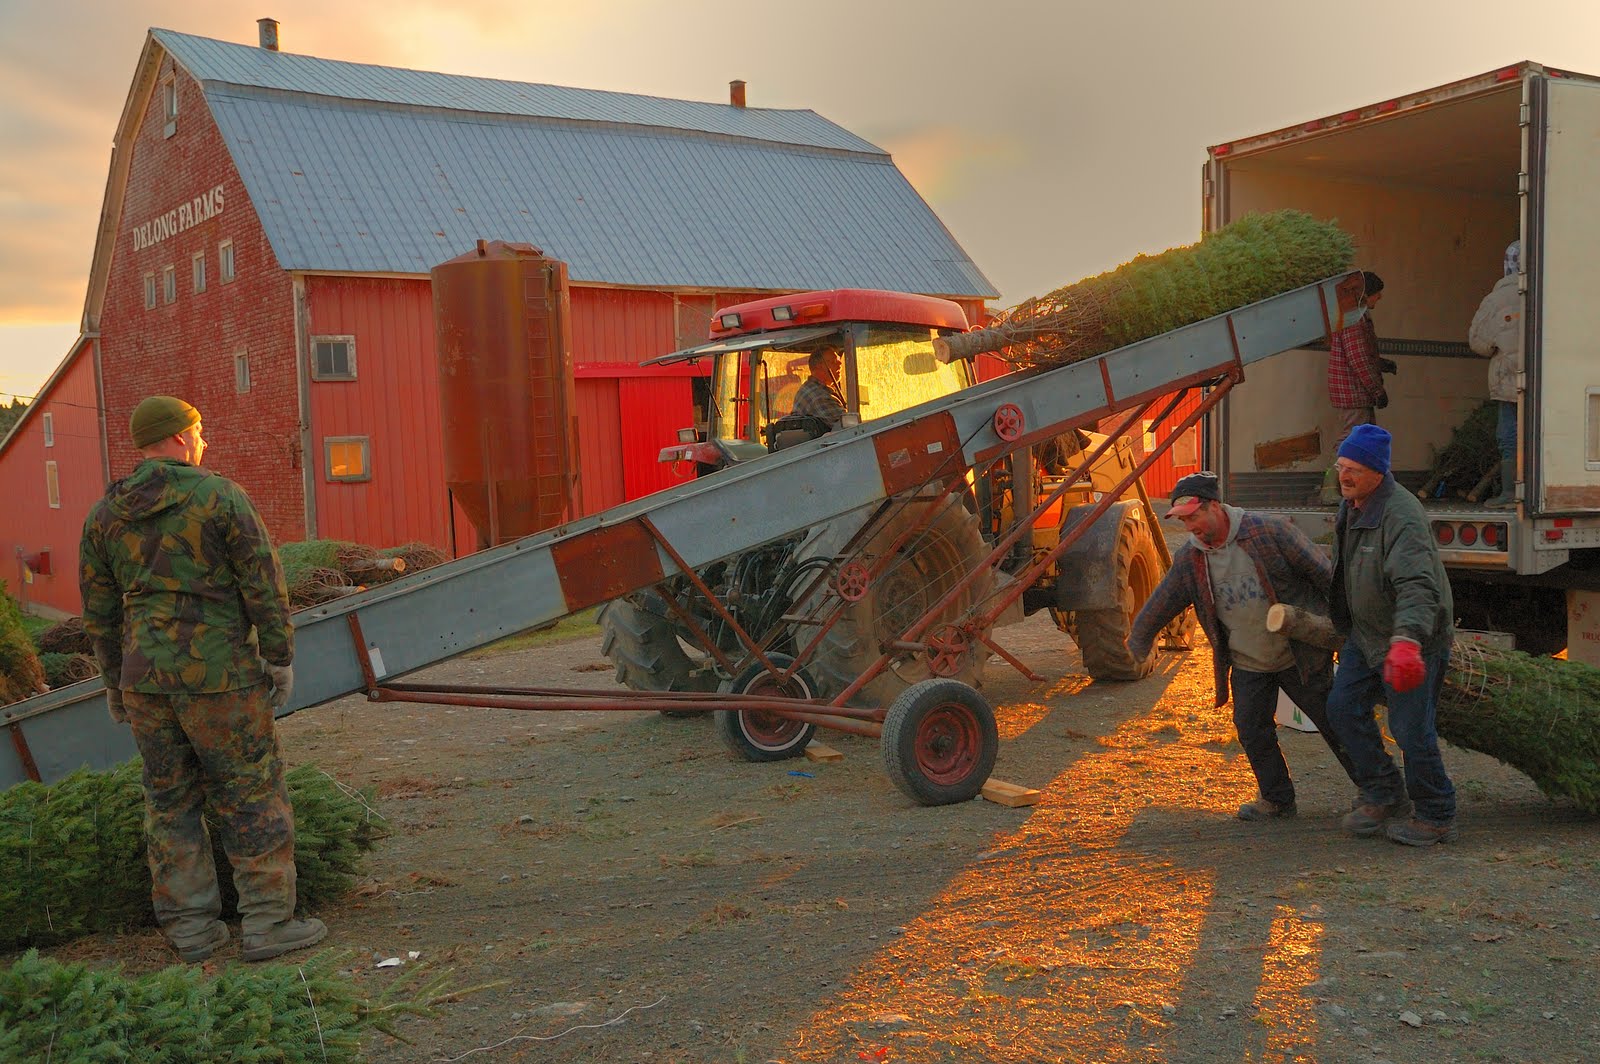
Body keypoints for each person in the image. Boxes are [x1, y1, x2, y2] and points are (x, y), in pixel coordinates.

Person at [80, 395, 327, 962]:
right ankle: (267, 923)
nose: (205, 442)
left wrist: (115, 683)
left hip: (146, 682)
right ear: (179, 436)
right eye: (199, 430)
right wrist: (279, 655)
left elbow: (100, 611)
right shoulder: (219, 497)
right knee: (250, 792)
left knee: (170, 800)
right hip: (220, 678)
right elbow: (263, 582)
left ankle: (191, 928)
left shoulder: (105, 515)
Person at [1128, 472, 1360, 821]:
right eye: (1183, 519)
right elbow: (1163, 601)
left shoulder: (1270, 531)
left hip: (1299, 654)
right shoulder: (1192, 558)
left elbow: (1326, 575)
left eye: (1194, 516)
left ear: (1215, 507)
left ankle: (1378, 790)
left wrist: (1352, 630)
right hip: (1249, 661)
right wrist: (1138, 640)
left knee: (1335, 722)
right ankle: (1277, 799)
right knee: (1252, 730)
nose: (1190, 527)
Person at [1323, 424, 1459, 846]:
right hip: (1366, 638)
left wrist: (1407, 642)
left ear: (1378, 471)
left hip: (1410, 642)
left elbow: (1419, 585)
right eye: (1341, 466)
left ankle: (1436, 815)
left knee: (1410, 730)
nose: (1344, 476)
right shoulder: (1352, 506)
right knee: (1342, 709)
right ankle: (1384, 792)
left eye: (1354, 469)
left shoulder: (1402, 514)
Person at [1320, 271, 1389, 503]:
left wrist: (1382, 364)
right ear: (1367, 294)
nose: (1379, 299)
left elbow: (1362, 355)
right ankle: (1329, 488)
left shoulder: (1354, 316)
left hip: (1352, 389)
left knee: (1361, 441)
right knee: (1349, 440)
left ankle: (1361, 489)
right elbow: (1358, 358)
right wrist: (1377, 390)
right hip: (1353, 391)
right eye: (1377, 294)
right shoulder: (1354, 318)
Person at [1468, 240, 1522, 509]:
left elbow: (1478, 342)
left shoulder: (1496, 300)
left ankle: (1509, 494)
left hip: (1509, 380)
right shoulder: (1550, 291)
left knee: (1508, 435)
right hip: (1545, 382)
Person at [790, 346, 847, 429]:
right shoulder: (819, 396)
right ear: (819, 367)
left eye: (839, 360)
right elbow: (849, 428)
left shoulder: (810, 388)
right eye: (834, 361)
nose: (840, 364)